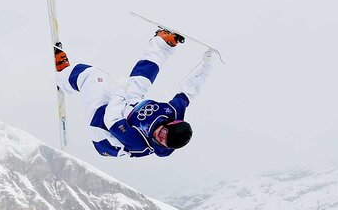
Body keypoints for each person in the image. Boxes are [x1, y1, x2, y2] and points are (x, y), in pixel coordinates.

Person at [53, 29, 216, 158]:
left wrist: (120, 92)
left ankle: (62, 77)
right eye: (163, 133)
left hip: (104, 130)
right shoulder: (173, 112)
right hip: (131, 106)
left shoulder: (139, 142)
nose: (159, 137)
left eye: (162, 142)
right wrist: (207, 64)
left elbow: (112, 119)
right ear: (171, 123)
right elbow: (190, 90)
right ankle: (163, 44)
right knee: (141, 78)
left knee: (93, 77)